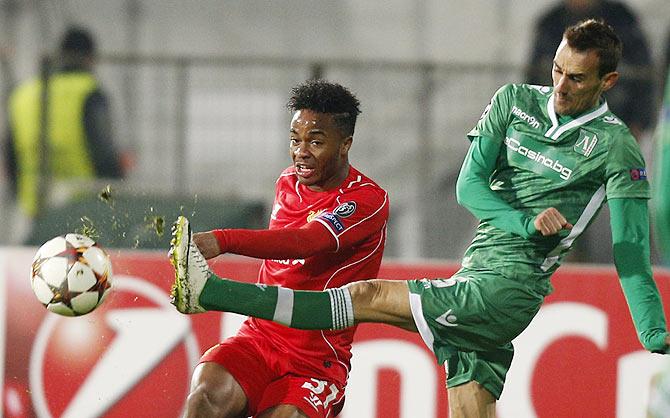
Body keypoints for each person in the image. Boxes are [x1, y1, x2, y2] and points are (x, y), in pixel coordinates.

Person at [170, 20, 670, 417]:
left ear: (608, 82)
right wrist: (523, 220)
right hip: (474, 270)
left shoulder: (615, 146)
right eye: (556, 69)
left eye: (576, 77)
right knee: (471, 406)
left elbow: (629, 249)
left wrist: (653, 332)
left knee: (364, 297)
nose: (559, 85)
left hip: (507, 292)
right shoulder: (514, 102)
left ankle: (211, 292)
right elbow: (468, 187)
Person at [170, 80, 389, 417]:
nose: (301, 151)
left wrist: (222, 239)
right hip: (259, 338)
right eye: (295, 139)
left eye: (315, 142)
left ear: (345, 145)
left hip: (315, 359)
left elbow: (307, 241)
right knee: (204, 399)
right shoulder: (287, 181)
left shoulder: (366, 200)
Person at [2, 26, 124, 228]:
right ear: (90, 58)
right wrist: (117, 193)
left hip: (36, 207)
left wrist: (22, 196)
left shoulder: (22, 94)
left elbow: (10, 156)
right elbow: (103, 154)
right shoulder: (89, 92)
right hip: (83, 206)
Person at [525, 0, 655, 141]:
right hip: (560, 127)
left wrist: (638, 122)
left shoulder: (621, 19)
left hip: (614, 121)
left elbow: (643, 74)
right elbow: (535, 77)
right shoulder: (550, 23)